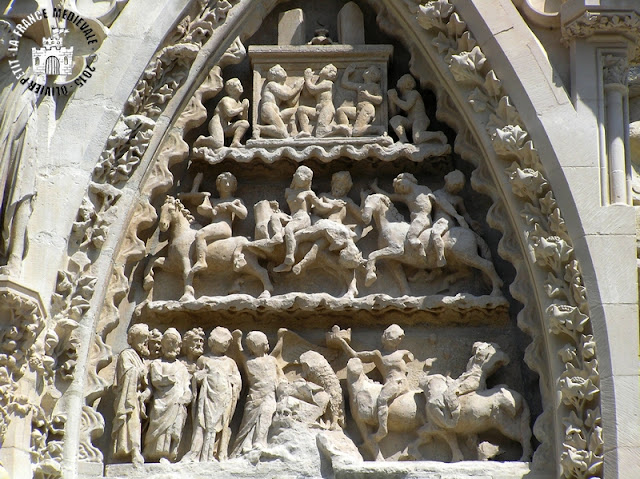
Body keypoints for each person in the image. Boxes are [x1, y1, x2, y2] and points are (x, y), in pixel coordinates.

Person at [334, 324, 414, 442]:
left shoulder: (404, 353)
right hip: (389, 383)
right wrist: (342, 342)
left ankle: (382, 430)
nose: (398, 339)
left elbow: (409, 362)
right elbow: (355, 355)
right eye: (395, 335)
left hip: (399, 383)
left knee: (382, 399)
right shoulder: (378, 355)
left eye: (399, 337)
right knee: (380, 398)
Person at [183, 327, 241, 462]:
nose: (226, 344)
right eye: (224, 342)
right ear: (214, 342)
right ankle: (196, 453)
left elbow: (237, 379)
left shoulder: (230, 362)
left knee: (222, 426)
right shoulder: (203, 359)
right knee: (201, 423)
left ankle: (217, 453)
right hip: (206, 399)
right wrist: (200, 377)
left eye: (228, 342)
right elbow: (195, 377)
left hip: (224, 398)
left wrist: (232, 381)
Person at [231, 331, 286, 456]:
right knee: (249, 423)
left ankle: (260, 441)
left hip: (270, 395)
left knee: (266, 415)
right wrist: (238, 340)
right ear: (257, 346)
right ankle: (246, 444)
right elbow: (241, 353)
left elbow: (281, 376)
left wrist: (283, 385)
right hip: (254, 397)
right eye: (264, 343)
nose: (267, 344)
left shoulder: (272, 360)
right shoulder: (250, 362)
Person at [273, 166, 337, 272]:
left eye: (304, 176)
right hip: (291, 217)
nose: (300, 177)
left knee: (289, 229)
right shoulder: (288, 192)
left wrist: (333, 204)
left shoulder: (309, 193)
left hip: (303, 217)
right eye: (299, 175)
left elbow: (321, 206)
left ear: (308, 181)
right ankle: (274, 240)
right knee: (275, 220)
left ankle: (288, 260)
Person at [373, 172, 444, 264]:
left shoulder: (424, 190)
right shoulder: (407, 196)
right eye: (397, 187)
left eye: (400, 183)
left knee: (411, 237)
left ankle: (420, 253)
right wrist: (375, 188)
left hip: (421, 220)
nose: (399, 187)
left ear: (409, 179)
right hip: (418, 220)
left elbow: (437, 201)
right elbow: (389, 196)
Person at [144, 329, 192, 462]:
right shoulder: (157, 364)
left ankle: (169, 454)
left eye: (174, 343)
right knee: (158, 428)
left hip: (176, 403)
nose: (171, 346)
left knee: (172, 430)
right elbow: (156, 379)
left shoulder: (181, 367)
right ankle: (152, 453)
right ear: (163, 345)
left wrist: (186, 396)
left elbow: (186, 386)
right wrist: (169, 379)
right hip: (161, 402)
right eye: (168, 343)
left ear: (178, 346)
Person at [190, 172, 248, 273]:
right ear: (218, 185)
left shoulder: (236, 201)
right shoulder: (213, 201)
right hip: (214, 225)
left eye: (230, 183)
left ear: (234, 186)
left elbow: (243, 214)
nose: (227, 185)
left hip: (224, 226)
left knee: (200, 234)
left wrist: (231, 206)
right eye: (224, 182)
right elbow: (201, 208)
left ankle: (201, 261)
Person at [112, 324, 150, 466]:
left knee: (136, 424)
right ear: (132, 340)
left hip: (137, 396)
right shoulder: (126, 354)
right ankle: (133, 451)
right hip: (128, 396)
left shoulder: (140, 358)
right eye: (142, 339)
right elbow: (128, 373)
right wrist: (141, 372)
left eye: (147, 340)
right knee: (131, 422)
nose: (146, 343)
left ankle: (136, 450)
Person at [430, 170, 478, 266]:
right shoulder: (437, 194)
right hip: (436, 221)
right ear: (447, 180)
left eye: (456, 187)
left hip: (446, 222)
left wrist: (471, 221)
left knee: (435, 234)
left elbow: (464, 213)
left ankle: (441, 257)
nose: (453, 188)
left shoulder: (457, 199)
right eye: (453, 185)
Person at [388, 74, 446, 144]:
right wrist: (391, 100)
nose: (398, 80)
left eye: (401, 79)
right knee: (395, 120)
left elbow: (407, 106)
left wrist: (395, 99)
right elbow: (394, 113)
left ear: (407, 85)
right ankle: (403, 139)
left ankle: (437, 135)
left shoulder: (414, 94)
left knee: (417, 138)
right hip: (410, 120)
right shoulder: (402, 97)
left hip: (420, 119)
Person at [256, 64, 303, 139]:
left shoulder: (285, 87)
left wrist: (299, 89)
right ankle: (259, 129)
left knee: (296, 110)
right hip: (268, 109)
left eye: (283, 70)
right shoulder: (271, 84)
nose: (283, 71)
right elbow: (285, 96)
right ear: (274, 75)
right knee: (282, 133)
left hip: (277, 110)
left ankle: (293, 130)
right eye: (280, 70)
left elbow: (291, 103)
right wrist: (296, 88)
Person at [336, 65, 384, 137]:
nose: (365, 71)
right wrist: (347, 72)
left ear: (372, 75)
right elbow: (345, 84)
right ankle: (346, 129)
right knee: (341, 110)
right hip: (358, 109)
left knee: (356, 132)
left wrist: (368, 96)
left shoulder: (374, 86)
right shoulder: (360, 86)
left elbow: (380, 99)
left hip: (367, 108)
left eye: (368, 70)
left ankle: (378, 129)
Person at [296, 64, 339, 138]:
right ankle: (306, 131)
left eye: (326, 68)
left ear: (329, 74)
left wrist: (308, 79)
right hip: (318, 108)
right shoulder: (319, 83)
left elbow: (313, 90)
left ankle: (340, 128)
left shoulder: (329, 83)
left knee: (320, 132)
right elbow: (307, 95)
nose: (323, 68)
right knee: (301, 109)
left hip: (326, 108)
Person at [207, 78, 250, 148]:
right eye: (237, 85)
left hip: (226, 125)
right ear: (230, 90)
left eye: (240, 84)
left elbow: (244, 119)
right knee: (218, 143)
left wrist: (245, 109)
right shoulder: (226, 100)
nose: (240, 86)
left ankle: (235, 142)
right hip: (217, 122)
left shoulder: (238, 103)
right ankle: (201, 140)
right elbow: (230, 112)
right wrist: (242, 108)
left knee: (244, 124)